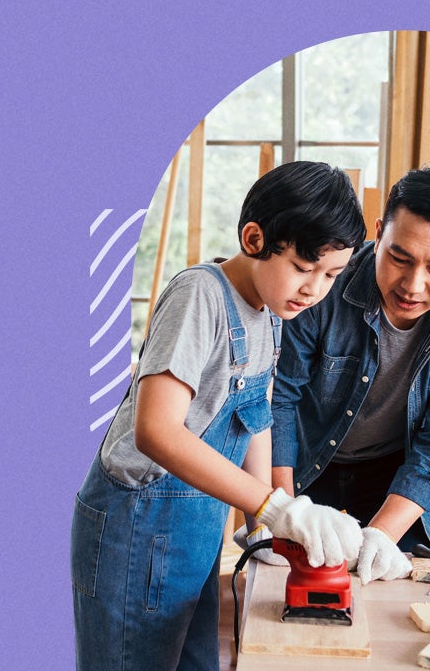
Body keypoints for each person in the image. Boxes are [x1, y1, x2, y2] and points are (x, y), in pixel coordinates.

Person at [71, 161, 367, 671]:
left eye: (331, 276)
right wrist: (274, 506)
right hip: (138, 530)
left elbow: (256, 418)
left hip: (194, 533)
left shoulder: (270, 314)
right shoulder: (199, 295)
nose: (314, 289)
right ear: (254, 239)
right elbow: (156, 431)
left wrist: (264, 527)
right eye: (303, 267)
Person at [269, 165, 430, 584]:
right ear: (378, 234)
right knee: (288, 583)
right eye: (399, 258)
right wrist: (282, 510)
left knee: (396, 587)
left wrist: (382, 532)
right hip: (306, 460)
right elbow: (280, 399)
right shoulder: (325, 282)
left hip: (396, 473)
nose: (412, 285)